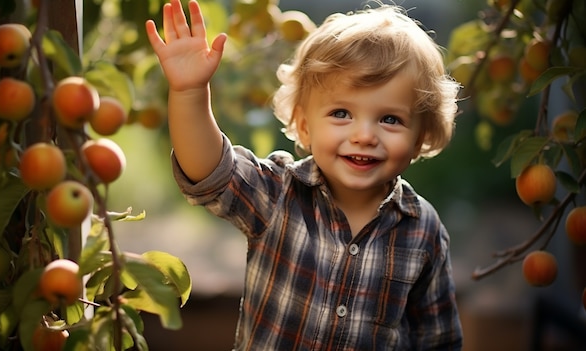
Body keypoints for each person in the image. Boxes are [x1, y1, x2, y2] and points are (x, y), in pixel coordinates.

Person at [146, 0, 463, 349]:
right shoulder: (278, 193)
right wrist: (190, 92)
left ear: (421, 137)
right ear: (303, 125)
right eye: (341, 113)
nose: (364, 135)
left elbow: (437, 339)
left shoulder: (423, 230)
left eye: (390, 119)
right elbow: (209, 171)